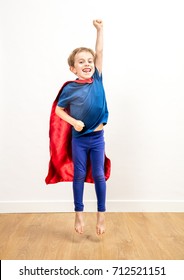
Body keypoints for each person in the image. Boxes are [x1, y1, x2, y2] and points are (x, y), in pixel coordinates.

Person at [55, 19, 110, 235]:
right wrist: (74, 122)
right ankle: (79, 214)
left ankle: (101, 216)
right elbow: (59, 110)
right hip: (79, 140)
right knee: (78, 175)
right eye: (81, 62)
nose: (86, 64)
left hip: (97, 138)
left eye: (89, 60)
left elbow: (100, 51)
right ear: (72, 67)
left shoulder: (97, 79)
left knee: (98, 174)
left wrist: (100, 30)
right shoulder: (69, 89)